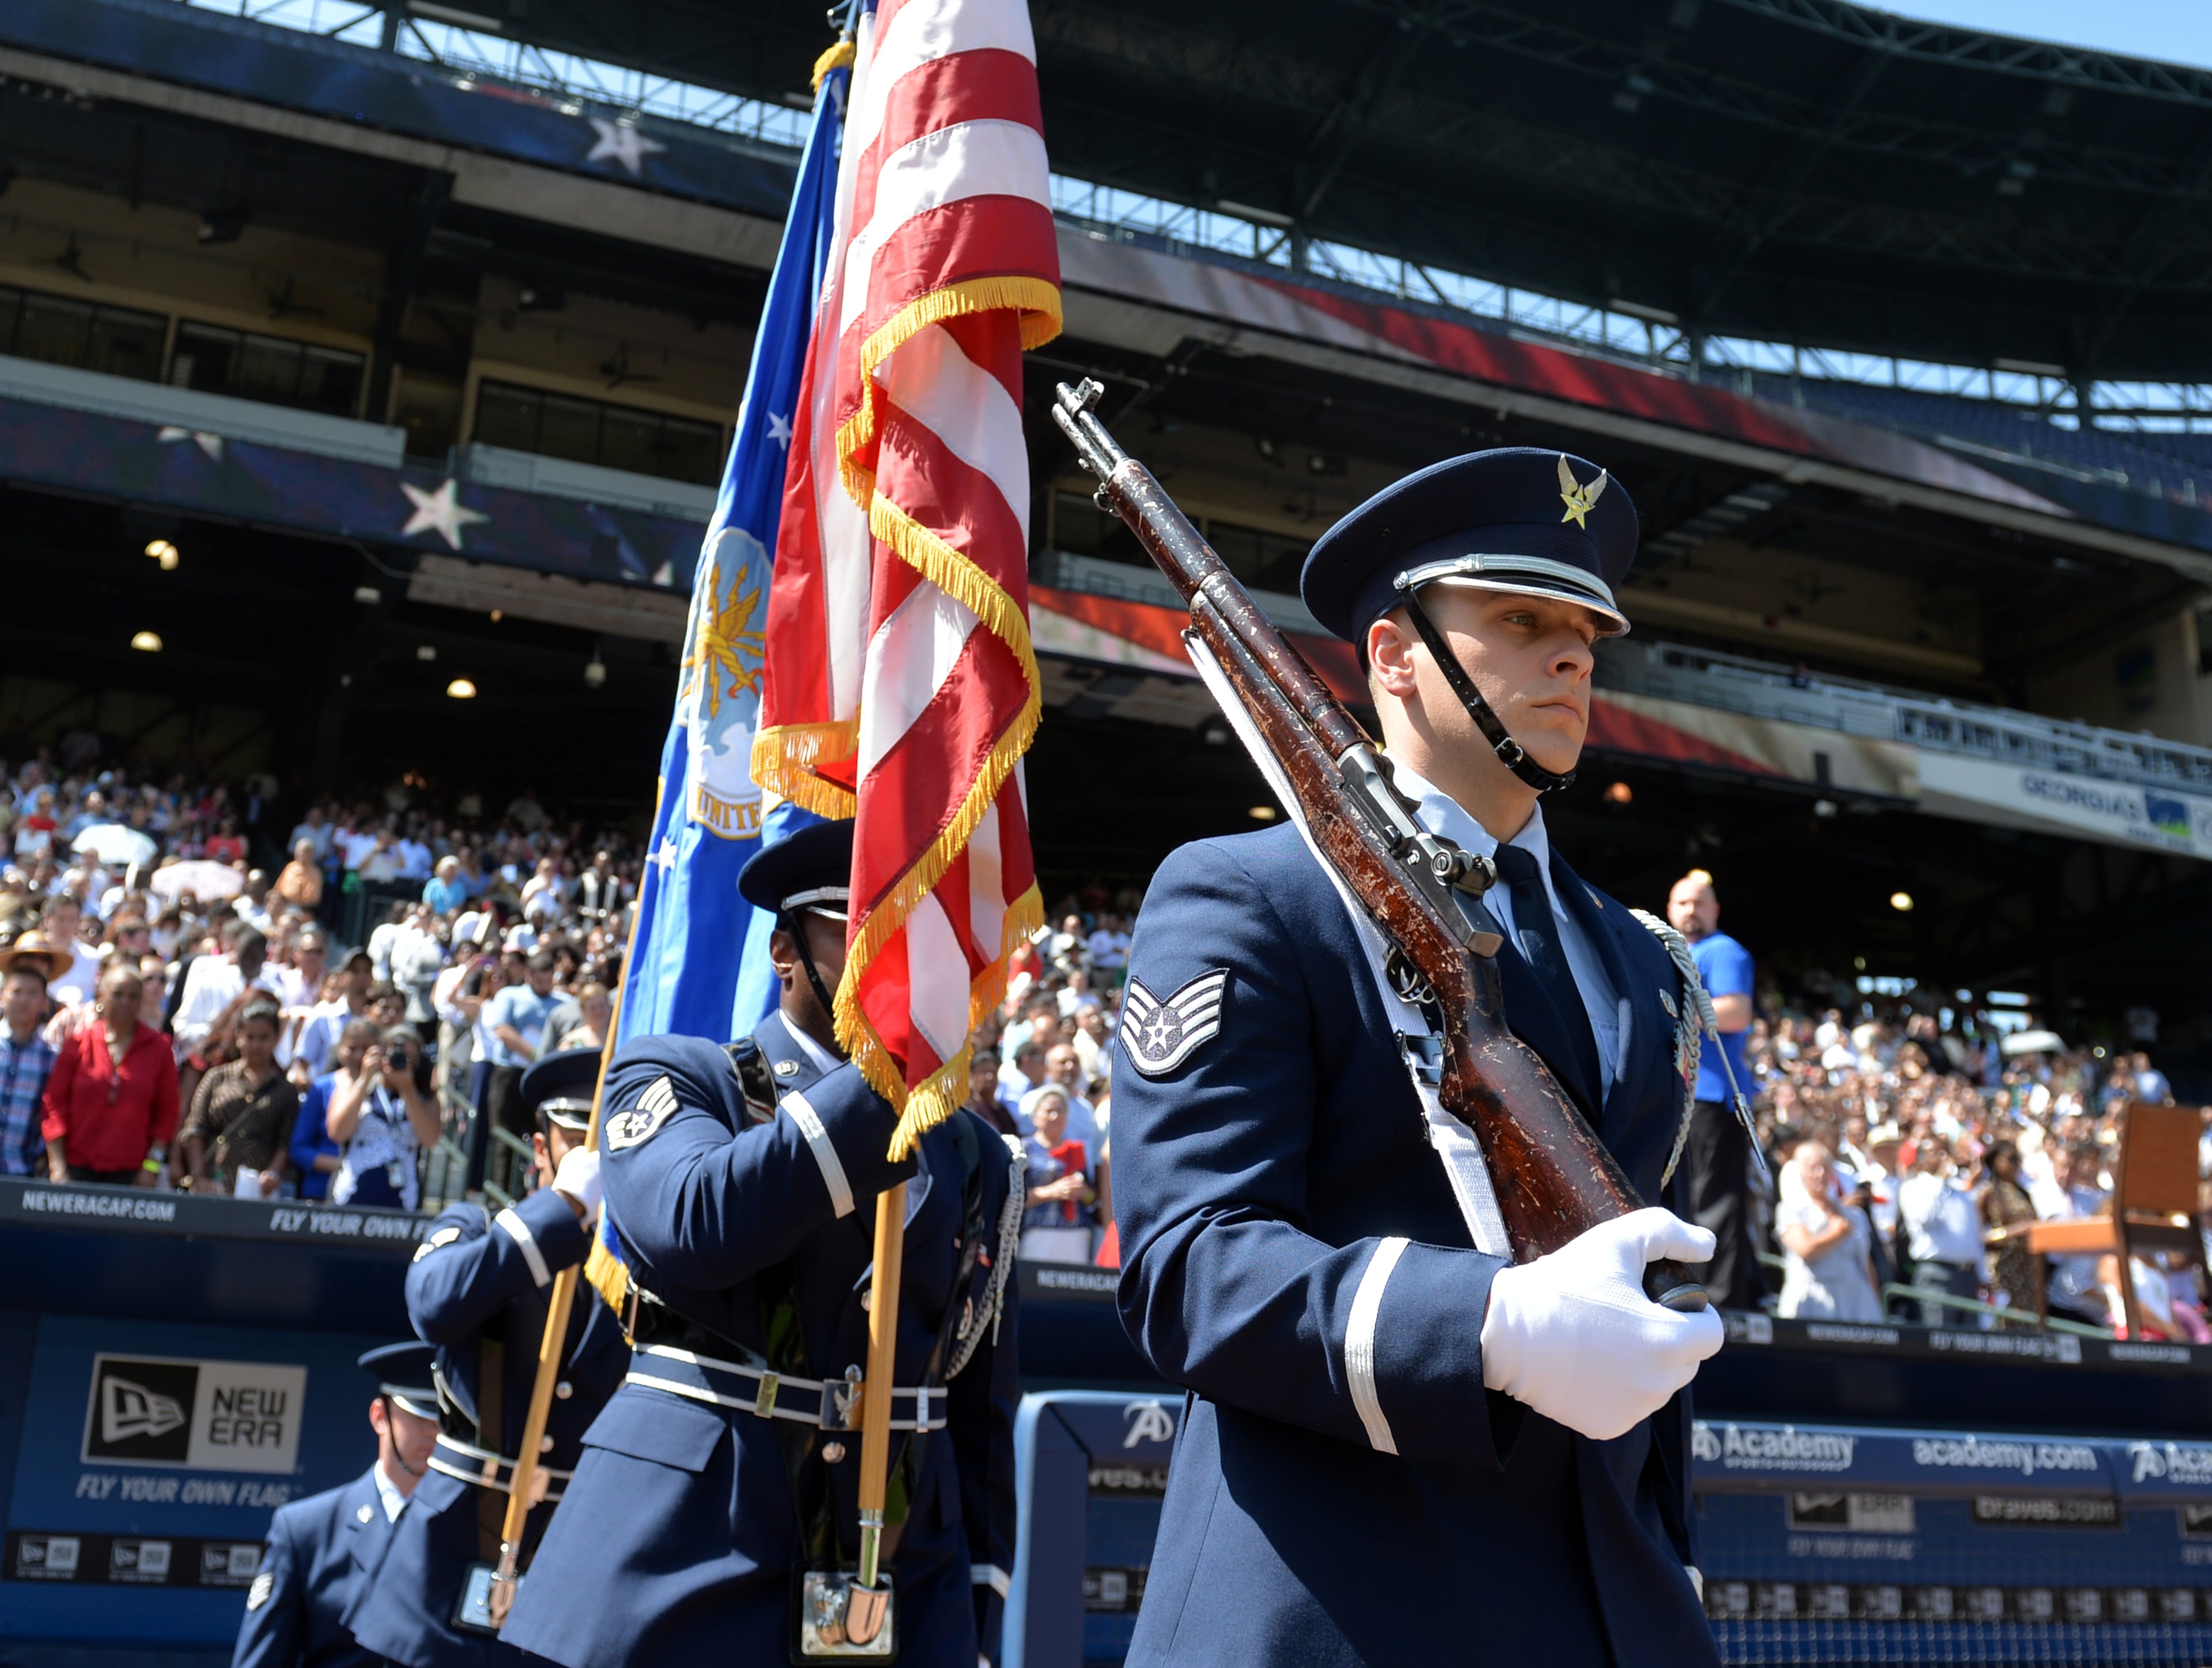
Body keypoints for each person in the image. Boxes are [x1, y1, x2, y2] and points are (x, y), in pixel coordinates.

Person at [1109, 449, 1725, 1666]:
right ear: (1394, 656)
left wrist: (1670, 1546)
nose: (1574, 654)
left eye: (1585, 628)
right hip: (1340, 1597)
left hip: (1609, 1607)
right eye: (1521, 618)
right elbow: (1192, 1266)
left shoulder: (1646, 959)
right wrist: (1489, 1326)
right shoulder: (1254, 896)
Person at [503, 820, 1023, 1668]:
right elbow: (697, 1227)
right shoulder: (679, 1075)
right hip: (690, 1562)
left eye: (917, 932)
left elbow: (975, 1406)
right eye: (864, 929)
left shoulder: (975, 1151)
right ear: (785, 951)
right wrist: (882, 1079)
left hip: (899, 1586)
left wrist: (975, 1611)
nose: (897, 956)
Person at [349, 1050, 626, 1668]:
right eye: (578, 1133)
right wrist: (563, 1210)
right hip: (454, 1564)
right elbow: (434, 1304)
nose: (597, 1150)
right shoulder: (477, 1227)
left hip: (583, 1567)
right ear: (540, 1148)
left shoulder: (653, 1266)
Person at [233, 1341, 440, 1668]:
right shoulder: (307, 1529)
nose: (435, 1431)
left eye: (446, 1418)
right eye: (419, 1415)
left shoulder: (475, 1527)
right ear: (380, 1417)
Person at [1665, 868, 1760, 1310]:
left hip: (1712, 1096)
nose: (1690, 910)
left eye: (1699, 901)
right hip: (1683, 1094)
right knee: (1686, 1202)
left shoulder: (1722, 951)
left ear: (1715, 909)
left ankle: (1722, 1303)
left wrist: (1667, 1009)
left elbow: (1737, 1012)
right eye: (1682, 902)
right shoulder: (1672, 950)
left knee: (1714, 1203)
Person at [43, 961, 179, 1186]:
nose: (126, 1002)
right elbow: (53, 1104)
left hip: (134, 1176)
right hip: (76, 1170)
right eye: (118, 994)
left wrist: (151, 1167)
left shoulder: (159, 1048)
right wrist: (57, 1166)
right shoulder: (78, 1042)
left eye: (134, 996)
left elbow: (167, 1113)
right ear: (102, 995)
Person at [179, 998, 298, 1196]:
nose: (256, 1045)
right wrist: (198, 1175)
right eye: (250, 1037)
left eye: (264, 1038)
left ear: (276, 1038)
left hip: (257, 1188)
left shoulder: (285, 1090)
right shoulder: (216, 1078)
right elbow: (195, 1128)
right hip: (212, 1181)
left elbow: (285, 1143)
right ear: (238, 1037)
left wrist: (272, 1175)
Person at [325, 1025, 441, 1212]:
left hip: (402, 1197)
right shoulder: (354, 1085)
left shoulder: (426, 1099)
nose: (401, 1061)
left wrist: (408, 1089)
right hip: (353, 1191)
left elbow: (430, 1139)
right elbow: (337, 1133)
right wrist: (365, 1078)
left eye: (409, 1058)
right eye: (395, 1054)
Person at [1774, 1142, 1882, 1321]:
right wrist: (1836, 1233)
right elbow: (1805, 1249)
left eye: (1825, 1167)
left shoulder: (1854, 1216)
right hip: (1813, 1300)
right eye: (1813, 1168)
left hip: (1856, 1301)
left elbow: (1866, 1263)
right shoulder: (1790, 1210)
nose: (1820, 1174)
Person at [1897, 1137, 1983, 1327]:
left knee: (1970, 1345)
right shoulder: (1912, 1188)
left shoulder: (1960, 1191)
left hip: (1967, 1277)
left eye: (1945, 1152)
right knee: (1938, 1341)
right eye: (1935, 1153)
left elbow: (1973, 1234)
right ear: (1921, 1160)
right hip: (1937, 1276)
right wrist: (1939, 1181)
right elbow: (1925, 1219)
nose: (1943, 1158)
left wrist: (1982, 1274)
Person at [290, 1021, 377, 1203]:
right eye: (352, 1048)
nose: (359, 1055)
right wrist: (340, 1165)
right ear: (340, 1050)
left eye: (366, 1048)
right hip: (321, 1192)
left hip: (366, 1192)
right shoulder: (322, 1088)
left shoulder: (385, 1092)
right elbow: (299, 1148)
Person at [0, 939, 58, 1175]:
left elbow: (50, 1114)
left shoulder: (51, 1057)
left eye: (33, 994)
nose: (23, 1000)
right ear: (3, 997)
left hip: (22, 1171)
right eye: (17, 992)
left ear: (44, 1002)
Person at [1020, 1086, 1096, 1263]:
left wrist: (1085, 1194)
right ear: (1036, 1116)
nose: (1055, 1117)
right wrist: (1051, 1192)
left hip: (1076, 1233)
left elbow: (1093, 1198)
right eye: (1049, 1111)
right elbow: (1014, 1198)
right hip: (1038, 1232)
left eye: (1060, 1111)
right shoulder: (1024, 1149)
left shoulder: (1075, 1150)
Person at [1979, 1139, 2040, 1317]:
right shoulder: (1987, 1192)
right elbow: (1978, 1235)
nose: (2016, 1165)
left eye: (2018, 1159)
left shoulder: (2023, 1192)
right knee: (2005, 1318)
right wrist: (2014, 1231)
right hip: (2002, 1266)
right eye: (2011, 1160)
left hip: (2025, 1267)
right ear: (1996, 1162)